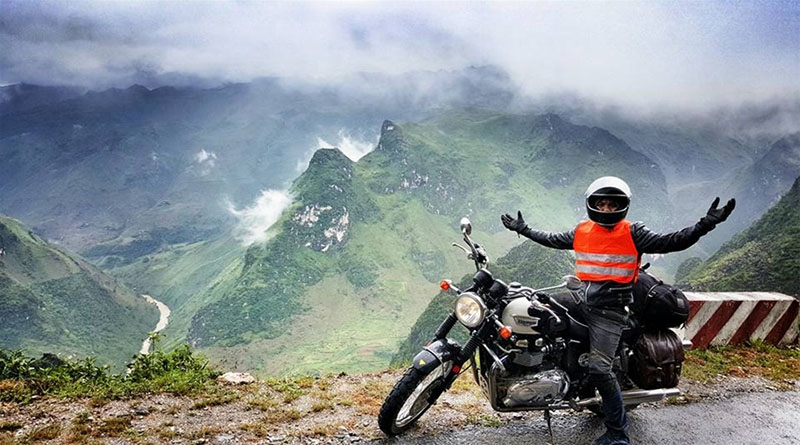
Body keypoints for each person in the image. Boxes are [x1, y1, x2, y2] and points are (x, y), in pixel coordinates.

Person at [501, 176, 735, 445]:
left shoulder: (633, 232)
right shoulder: (582, 231)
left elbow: (672, 241)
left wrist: (705, 224)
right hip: (582, 299)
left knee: (600, 369)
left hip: (610, 311)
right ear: (592, 204)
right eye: (602, 203)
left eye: (612, 204)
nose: (606, 209)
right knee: (540, 312)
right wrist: (524, 229)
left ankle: (617, 434)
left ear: (622, 206)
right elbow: (552, 239)